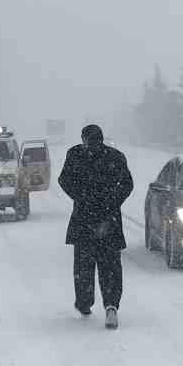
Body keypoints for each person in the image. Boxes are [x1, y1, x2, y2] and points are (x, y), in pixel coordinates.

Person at [59, 124, 134, 328]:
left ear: (84, 138)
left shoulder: (75, 155)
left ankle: (84, 302)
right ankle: (111, 306)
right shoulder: (116, 156)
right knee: (110, 266)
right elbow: (127, 184)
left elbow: (64, 180)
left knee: (84, 265)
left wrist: (82, 198)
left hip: (84, 218)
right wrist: (112, 202)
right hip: (110, 219)